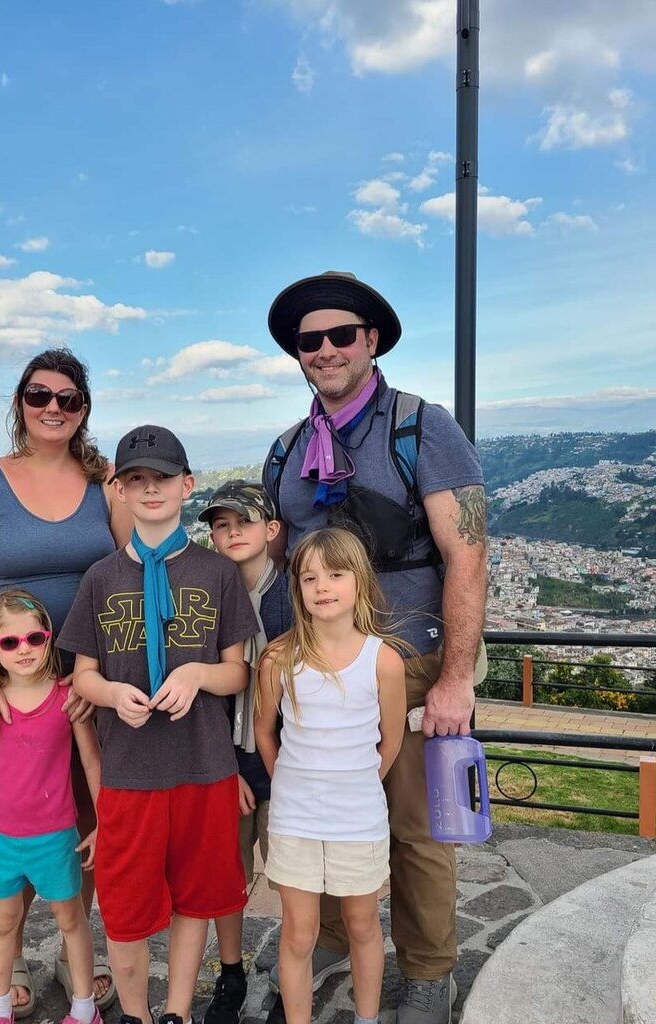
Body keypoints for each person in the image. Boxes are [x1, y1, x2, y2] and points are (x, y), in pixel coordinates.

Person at [263, 271, 487, 1024]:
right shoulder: (287, 449)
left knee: (416, 827)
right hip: (317, 663)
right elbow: (281, 556)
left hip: (411, 654)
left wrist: (456, 676)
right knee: (321, 800)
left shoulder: (422, 426)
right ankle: (326, 932)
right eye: (308, 340)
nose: (323, 350)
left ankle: (427, 969)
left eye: (339, 335)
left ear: (370, 341)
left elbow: (468, 551)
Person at [0, 348, 130, 1016]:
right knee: (10, 806)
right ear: (19, 403)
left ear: (84, 409)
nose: (53, 407)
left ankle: (82, 944)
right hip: (7, 675)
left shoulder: (100, 479)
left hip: (88, 672)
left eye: (68, 398)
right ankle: (12, 948)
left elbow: (132, 568)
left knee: (82, 806)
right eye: (39, 394)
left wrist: (105, 674)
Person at [59, 424, 259, 1024]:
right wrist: (113, 692)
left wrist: (197, 675)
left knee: (195, 900)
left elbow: (238, 673)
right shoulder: (100, 579)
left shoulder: (216, 573)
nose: (151, 490)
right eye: (136, 479)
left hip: (204, 765)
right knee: (125, 906)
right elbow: (83, 677)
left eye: (163, 478)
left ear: (187, 486)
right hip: (128, 771)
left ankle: (174, 1013)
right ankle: (136, 1014)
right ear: (118, 491)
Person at [255, 528, 406, 1024]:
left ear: (359, 581)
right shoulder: (279, 658)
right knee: (298, 933)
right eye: (310, 577)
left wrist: (355, 779)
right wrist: (293, 781)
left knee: (362, 925)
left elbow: (391, 739)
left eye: (336, 574)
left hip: (358, 817)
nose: (323, 586)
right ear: (297, 588)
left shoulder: (383, 660)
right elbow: (264, 731)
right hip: (296, 816)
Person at [0, 589, 103, 1024]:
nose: (24, 650)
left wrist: (104, 821)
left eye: (34, 639)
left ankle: (84, 1009)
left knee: (72, 921)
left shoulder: (67, 700)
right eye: (10, 642)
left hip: (56, 836)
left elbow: (91, 760)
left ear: (49, 638)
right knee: (3, 924)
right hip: (0, 838)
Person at [196, 480, 292, 1024]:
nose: (231, 533)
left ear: (270, 530)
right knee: (226, 877)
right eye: (221, 525)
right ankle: (230, 972)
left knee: (292, 878)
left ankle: (288, 971)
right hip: (228, 759)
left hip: (283, 758)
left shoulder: (293, 596)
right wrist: (225, 767)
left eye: (244, 523)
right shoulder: (208, 595)